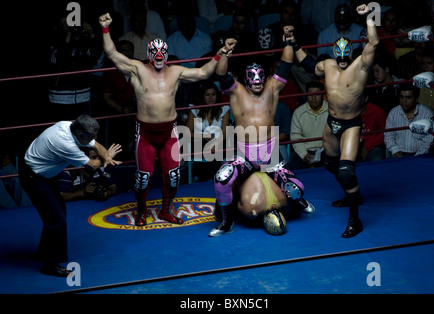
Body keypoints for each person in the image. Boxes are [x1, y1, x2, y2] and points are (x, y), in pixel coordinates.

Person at [99, 12, 237, 226]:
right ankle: (142, 211)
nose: (159, 57)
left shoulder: (175, 72)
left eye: (163, 53)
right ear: (149, 54)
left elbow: (202, 73)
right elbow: (111, 53)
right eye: (155, 53)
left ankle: (165, 210)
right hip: (145, 133)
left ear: (166, 53)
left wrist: (219, 54)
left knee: (173, 176)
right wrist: (105, 27)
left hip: (169, 132)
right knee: (142, 178)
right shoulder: (137, 69)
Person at [210, 25, 315, 237]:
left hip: (269, 157)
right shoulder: (237, 92)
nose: (258, 82)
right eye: (253, 78)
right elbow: (221, 74)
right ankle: (227, 222)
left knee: (297, 189)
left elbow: (286, 64)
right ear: (246, 78)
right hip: (245, 156)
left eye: (261, 78)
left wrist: (287, 40)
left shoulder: (272, 89)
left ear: (265, 77)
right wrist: (224, 52)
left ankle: (297, 201)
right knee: (222, 178)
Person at [295, 4, 379, 237]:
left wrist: (368, 18)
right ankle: (353, 195)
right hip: (331, 122)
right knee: (331, 166)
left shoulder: (361, 66)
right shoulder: (328, 66)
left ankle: (355, 220)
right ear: (334, 55)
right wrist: (292, 42)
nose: (341, 62)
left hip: (351, 124)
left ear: (350, 55)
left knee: (345, 171)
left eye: (345, 59)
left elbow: (373, 44)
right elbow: (308, 64)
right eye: (338, 58)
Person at [18, 115, 121, 277]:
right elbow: (93, 165)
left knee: (57, 213)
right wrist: (108, 158)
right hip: (34, 177)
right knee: (57, 219)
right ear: (80, 136)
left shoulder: (71, 126)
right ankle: (49, 265)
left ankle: (43, 253)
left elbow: (97, 145)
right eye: (92, 136)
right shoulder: (65, 143)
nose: (95, 139)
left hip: (43, 174)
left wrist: (106, 156)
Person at [186, 81, 230, 182]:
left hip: (219, 142)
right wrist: (204, 135)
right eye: (207, 95)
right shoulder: (195, 109)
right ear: (203, 96)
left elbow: (225, 132)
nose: (211, 97)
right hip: (200, 142)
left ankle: (211, 179)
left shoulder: (224, 109)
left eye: (213, 94)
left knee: (216, 150)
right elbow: (187, 132)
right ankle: (208, 178)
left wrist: (216, 142)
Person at [384, 83, 434, 158]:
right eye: (401, 97)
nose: (404, 101)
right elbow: (388, 136)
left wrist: (416, 158)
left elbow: (429, 141)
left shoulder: (427, 114)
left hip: (420, 155)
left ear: (416, 99)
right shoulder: (393, 113)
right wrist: (396, 153)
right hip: (397, 154)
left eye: (408, 97)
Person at [289, 81, 328, 169]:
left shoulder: (331, 111)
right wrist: (304, 155)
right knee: (290, 171)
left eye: (317, 94)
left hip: (326, 150)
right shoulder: (299, 112)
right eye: (310, 94)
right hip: (305, 151)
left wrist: (325, 148)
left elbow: (335, 133)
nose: (313, 98)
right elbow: (295, 136)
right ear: (306, 95)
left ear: (322, 95)